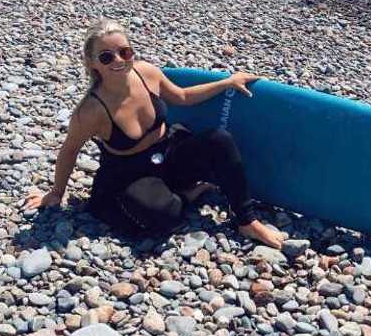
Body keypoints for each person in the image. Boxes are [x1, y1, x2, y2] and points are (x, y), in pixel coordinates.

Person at [22, 19, 287, 248]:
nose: (119, 60)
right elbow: (69, 150)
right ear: (93, 64)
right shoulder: (91, 110)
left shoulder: (147, 72)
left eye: (125, 52)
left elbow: (182, 96)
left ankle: (247, 221)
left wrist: (227, 82)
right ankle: (188, 194)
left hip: (167, 154)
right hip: (130, 176)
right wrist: (56, 193)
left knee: (219, 140)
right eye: (106, 56)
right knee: (161, 219)